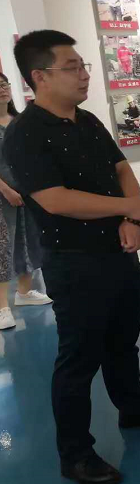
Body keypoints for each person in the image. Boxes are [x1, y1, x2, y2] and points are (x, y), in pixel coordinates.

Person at [4, 30, 140, 484]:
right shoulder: (26, 133)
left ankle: (133, 408)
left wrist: (134, 219)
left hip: (118, 251)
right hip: (73, 261)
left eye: (83, 65)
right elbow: (55, 199)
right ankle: (75, 454)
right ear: (39, 76)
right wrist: (129, 207)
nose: (84, 74)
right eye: (72, 67)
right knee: (79, 357)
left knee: (123, 341)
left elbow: (121, 168)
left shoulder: (87, 121)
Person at [0, 72, 52, 330]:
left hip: (27, 192)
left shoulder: (19, 120)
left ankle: (24, 292)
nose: (2, 89)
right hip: (3, 194)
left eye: (4, 84)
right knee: (3, 247)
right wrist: (5, 190)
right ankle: (2, 308)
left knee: (29, 240)